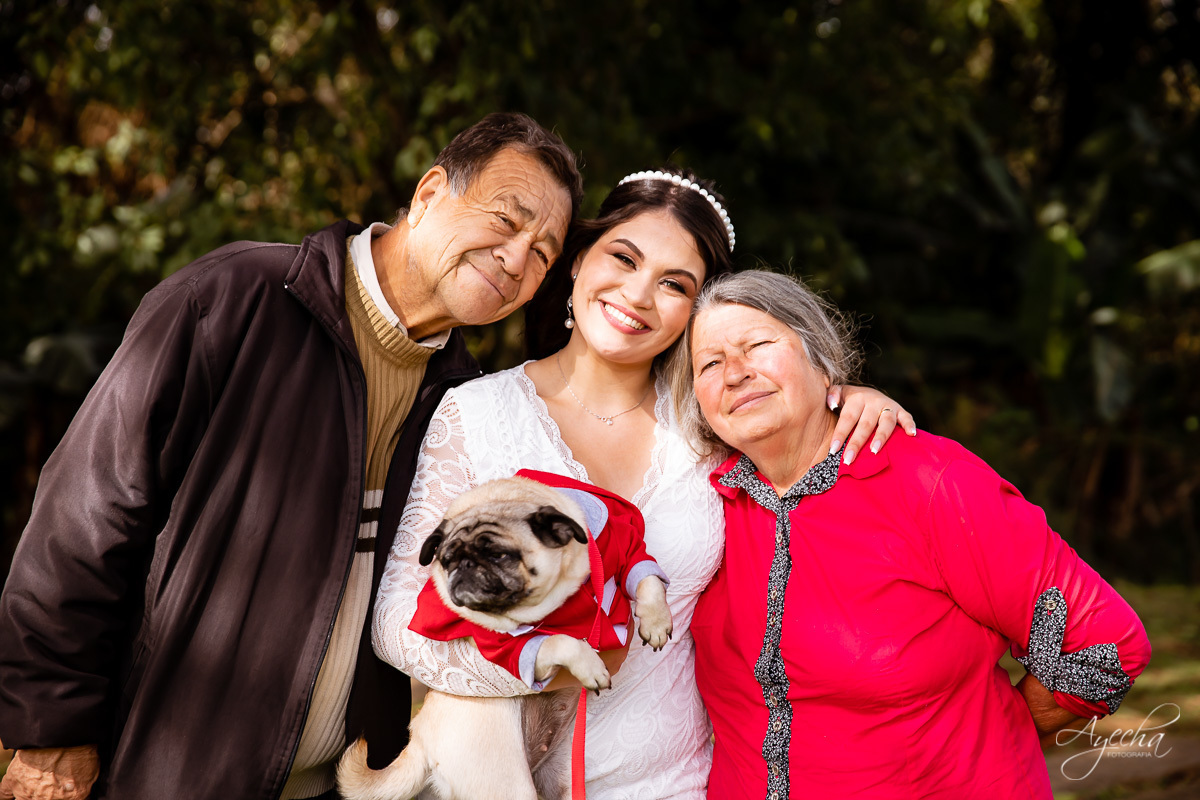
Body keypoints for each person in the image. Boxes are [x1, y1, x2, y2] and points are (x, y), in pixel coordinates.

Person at [0, 112, 581, 800]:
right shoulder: (233, 300)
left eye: (544, 253)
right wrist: (53, 724)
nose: (518, 259)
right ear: (429, 194)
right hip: (165, 769)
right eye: (507, 222)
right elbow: (83, 520)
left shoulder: (467, 402)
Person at [371, 168, 915, 797]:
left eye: (674, 284)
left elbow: (811, 488)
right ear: (578, 262)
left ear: (696, 311)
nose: (636, 294)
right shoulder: (475, 413)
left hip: (673, 782)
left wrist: (841, 396)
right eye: (622, 258)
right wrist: (551, 667)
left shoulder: (714, 427)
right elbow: (397, 625)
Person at [672, 270, 1153, 800]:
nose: (735, 373)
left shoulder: (927, 479)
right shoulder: (702, 508)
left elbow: (1102, 641)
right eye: (710, 364)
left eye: (756, 346)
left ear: (821, 358)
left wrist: (989, 741)